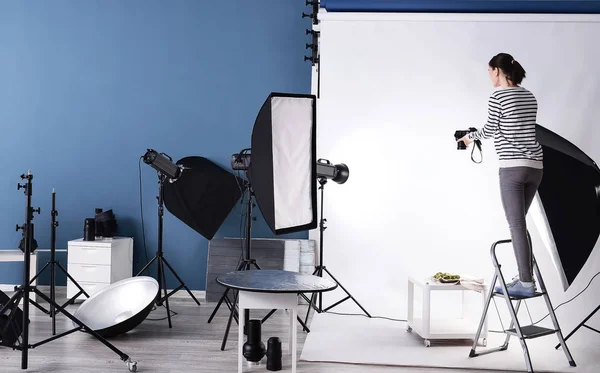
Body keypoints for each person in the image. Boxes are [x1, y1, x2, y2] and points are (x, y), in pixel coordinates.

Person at [458, 52, 543, 297]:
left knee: (516, 224)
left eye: (489, 71)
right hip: (535, 167)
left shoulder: (498, 95)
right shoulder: (529, 95)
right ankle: (526, 275)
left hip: (513, 169)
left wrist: (468, 138)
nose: (489, 76)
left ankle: (526, 282)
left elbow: (491, 129)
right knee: (520, 224)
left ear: (497, 70)